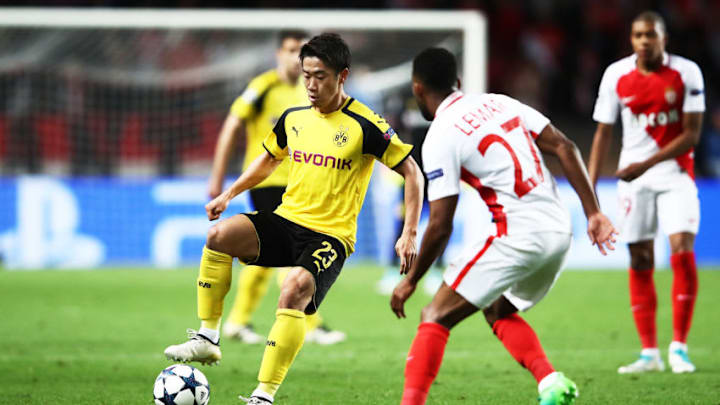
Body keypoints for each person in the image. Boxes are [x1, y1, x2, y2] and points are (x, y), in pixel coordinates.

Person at [165, 33, 424, 405]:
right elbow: (269, 158)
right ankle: (207, 339)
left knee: (294, 289)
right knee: (218, 235)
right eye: (306, 76)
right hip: (288, 219)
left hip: (331, 237)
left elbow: (412, 172)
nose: (311, 85)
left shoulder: (365, 123)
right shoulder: (294, 117)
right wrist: (229, 193)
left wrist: (409, 232)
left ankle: (262, 395)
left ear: (342, 76)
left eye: (320, 76)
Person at [391, 47, 617, 405]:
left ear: (418, 89)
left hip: (518, 233)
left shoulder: (440, 136)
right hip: (559, 231)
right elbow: (565, 145)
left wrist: (410, 280)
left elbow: (440, 224)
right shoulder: (500, 102)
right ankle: (550, 382)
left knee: (434, 314)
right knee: (497, 307)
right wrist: (594, 213)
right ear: (459, 83)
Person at [208, 30, 345, 345]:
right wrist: (217, 178)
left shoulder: (307, 91)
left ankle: (238, 321)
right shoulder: (262, 86)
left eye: (300, 51)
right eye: (290, 49)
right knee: (292, 253)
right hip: (267, 182)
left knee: (270, 255)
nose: (294, 56)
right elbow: (231, 125)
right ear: (278, 53)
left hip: (299, 184)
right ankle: (310, 323)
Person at [588, 11, 705, 374]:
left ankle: (679, 347)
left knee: (681, 251)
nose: (643, 41)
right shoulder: (615, 75)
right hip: (632, 180)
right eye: (638, 35)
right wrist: (589, 191)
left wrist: (647, 164)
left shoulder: (687, 73)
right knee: (639, 259)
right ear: (631, 39)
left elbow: (691, 134)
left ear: (663, 38)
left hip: (676, 174)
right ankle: (649, 353)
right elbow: (603, 134)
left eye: (650, 35)